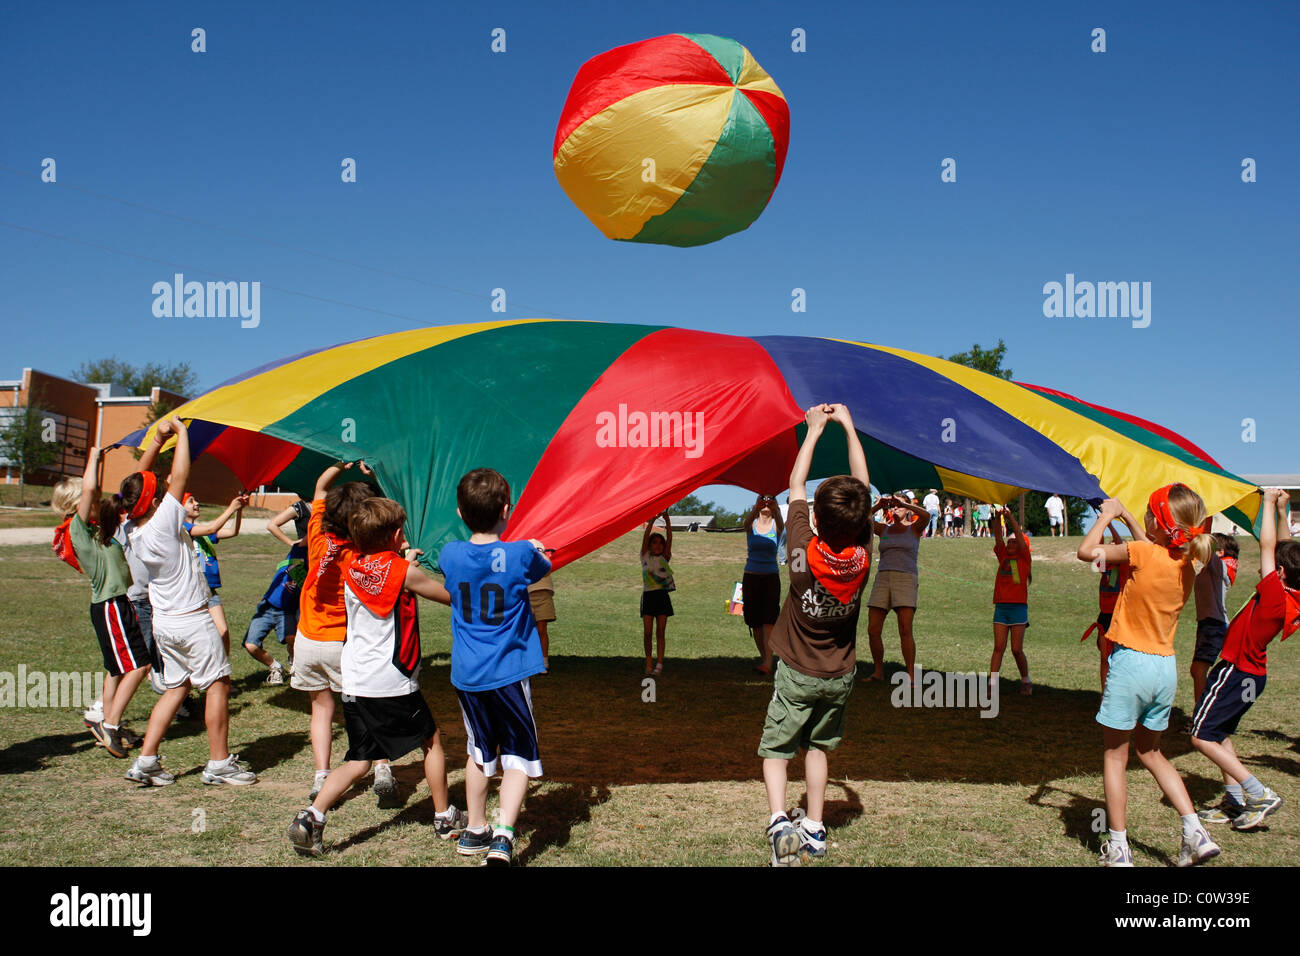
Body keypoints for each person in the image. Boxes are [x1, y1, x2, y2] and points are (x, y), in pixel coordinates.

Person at [287, 496, 468, 855]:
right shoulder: (403, 572)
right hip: (392, 680)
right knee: (431, 740)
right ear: (398, 533)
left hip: (355, 679)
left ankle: (312, 817)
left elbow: (383, 572)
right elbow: (449, 596)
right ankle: (444, 816)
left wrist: (403, 561)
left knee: (359, 760)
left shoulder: (350, 564)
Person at [1076, 484, 1219, 867]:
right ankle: (1195, 831)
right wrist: (1127, 517)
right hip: (1163, 668)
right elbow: (1154, 547)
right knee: (1152, 752)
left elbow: (1086, 552)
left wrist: (1106, 516)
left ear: (1157, 521)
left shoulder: (1141, 553)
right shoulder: (1189, 561)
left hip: (1130, 664)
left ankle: (1119, 849)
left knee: (1114, 755)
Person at [760, 404, 871, 866]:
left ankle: (778, 821)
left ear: (818, 521)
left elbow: (795, 486)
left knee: (776, 749)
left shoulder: (803, 548)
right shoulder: (863, 553)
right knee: (819, 748)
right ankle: (815, 825)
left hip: (796, 672)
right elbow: (861, 489)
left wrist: (814, 430)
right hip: (839, 674)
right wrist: (849, 424)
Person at [122, 418, 256, 787]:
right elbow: (180, 475)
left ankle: (146, 761)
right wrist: (181, 435)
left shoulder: (130, 526)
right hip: (193, 621)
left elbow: (136, 482)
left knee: (176, 687)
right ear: (154, 500)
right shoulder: (165, 520)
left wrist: (155, 440)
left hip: (165, 623)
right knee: (217, 685)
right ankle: (218, 763)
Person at [440, 468, 552, 867]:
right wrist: (534, 546)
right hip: (508, 672)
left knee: (479, 751)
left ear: (459, 511)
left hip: (468, 676)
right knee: (518, 755)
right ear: (507, 510)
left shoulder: (449, 554)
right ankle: (503, 834)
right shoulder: (522, 553)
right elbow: (541, 565)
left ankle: (474, 828)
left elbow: (468, 568)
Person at [1190, 488, 1296, 831]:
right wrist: (1283, 509)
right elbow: (1282, 549)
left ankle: (1258, 792)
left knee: (1201, 736)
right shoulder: (1293, 593)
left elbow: (1269, 547)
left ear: (1278, 572)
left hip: (1236, 670)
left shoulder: (1275, 596)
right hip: (1253, 673)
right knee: (1218, 733)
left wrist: (1266, 502)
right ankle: (1235, 800)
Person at [51, 449, 152, 757]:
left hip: (113, 605)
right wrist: (94, 457)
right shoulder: (78, 530)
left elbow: (123, 492)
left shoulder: (97, 527)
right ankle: (111, 725)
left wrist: (105, 460)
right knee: (141, 664)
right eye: (89, 497)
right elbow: (92, 488)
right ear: (79, 503)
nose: (96, 499)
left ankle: (111, 726)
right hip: (111, 606)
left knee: (116, 669)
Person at [292, 461, 381, 802]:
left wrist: (337, 465)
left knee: (321, 708)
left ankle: (321, 774)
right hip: (343, 641)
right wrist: (374, 478)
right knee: (368, 707)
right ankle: (383, 766)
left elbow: (319, 488)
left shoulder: (315, 534)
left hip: (308, 640)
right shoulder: (360, 551)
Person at [864, 493, 928, 682]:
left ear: (908, 509)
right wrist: (878, 505)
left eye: (900, 506)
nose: (896, 508)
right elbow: (861, 520)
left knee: (905, 628)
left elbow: (926, 516)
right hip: (883, 577)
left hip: (905, 579)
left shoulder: (915, 528)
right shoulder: (884, 529)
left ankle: (910, 675)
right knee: (873, 629)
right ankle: (878, 672)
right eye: (894, 506)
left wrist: (906, 503)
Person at [182, 492, 247, 656]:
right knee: (194, 636)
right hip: (191, 591)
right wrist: (231, 508)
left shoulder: (203, 532)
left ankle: (223, 672)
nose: (197, 503)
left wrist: (239, 510)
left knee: (223, 631)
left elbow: (233, 531)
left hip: (209, 589)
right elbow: (212, 528)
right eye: (191, 501)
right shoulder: (183, 529)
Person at [1081, 521, 1139, 690]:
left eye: (1113, 546)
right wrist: (1101, 522)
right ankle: (1105, 694)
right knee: (1105, 657)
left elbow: (1120, 543)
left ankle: (1121, 690)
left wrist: (1110, 525)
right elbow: (1095, 545)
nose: (1111, 547)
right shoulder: (1103, 564)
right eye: (1109, 545)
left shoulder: (1124, 565)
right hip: (1105, 615)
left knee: (1120, 657)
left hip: (1119, 615)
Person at [242, 542, 306, 684]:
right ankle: (275, 667)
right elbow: (273, 525)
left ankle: (296, 666)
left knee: (293, 640)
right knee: (251, 645)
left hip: (287, 611)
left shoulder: (316, 565)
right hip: (267, 606)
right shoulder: (297, 551)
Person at [988, 507, 1033, 695]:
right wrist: (998, 516)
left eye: (1014, 542)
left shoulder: (1024, 559)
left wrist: (1011, 517)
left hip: (1018, 609)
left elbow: (1020, 539)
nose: (1011, 543)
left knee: (1016, 649)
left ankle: (1026, 680)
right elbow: (998, 535)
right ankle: (992, 684)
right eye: (1010, 541)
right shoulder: (1004, 555)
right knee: (999, 647)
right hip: (1001, 607)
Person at [268, 495, 312, 667]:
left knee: (310, 609)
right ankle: (294, 657)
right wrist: (292, 542)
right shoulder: (300, 507)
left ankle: (304, 657)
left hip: (320, 563)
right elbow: (272, 525)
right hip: (299, 564)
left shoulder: (328, 506)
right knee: (297, 607)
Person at [743, 493, 784, 675]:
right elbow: (745, 524)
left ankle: (767, 662)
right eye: (763, 499)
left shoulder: (776, 525)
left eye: (770, 499)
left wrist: (775, 508)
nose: (766, 502)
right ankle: (765, 659)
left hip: (770, 577)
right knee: (755, 622)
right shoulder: (751, 524)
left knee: (769, 619)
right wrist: (756, 506)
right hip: (751, 576)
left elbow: (782, 526)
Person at [1189, 533, 1233, 706]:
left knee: (1198, 670)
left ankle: (1202, 716)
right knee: (1198, 671)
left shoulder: (1217, 565)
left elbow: (1205, 541)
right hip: (1207, 624)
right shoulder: (1202, 566)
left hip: (1214, 624)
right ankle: (1205, 712)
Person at [639, 511, 674, 675]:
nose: (658, 545)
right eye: (654, 543)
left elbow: (670, 541)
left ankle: (659, 664)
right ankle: (648, 663)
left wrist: (667, 522)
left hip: (662, 597)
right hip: (648, 597)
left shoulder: (665, 558)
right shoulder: (645, 556)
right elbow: (645, 537)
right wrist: (652, 519)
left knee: (661, 632)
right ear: (649, 546)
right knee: (647, 632)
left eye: (661, 543)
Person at [527, 574, 556, 672]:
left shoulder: (545, 559)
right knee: (527, 631)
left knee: (541, 629)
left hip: (543, 595)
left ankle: (544, 662)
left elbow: (547, 566)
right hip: (526, 595)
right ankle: (530, 662)